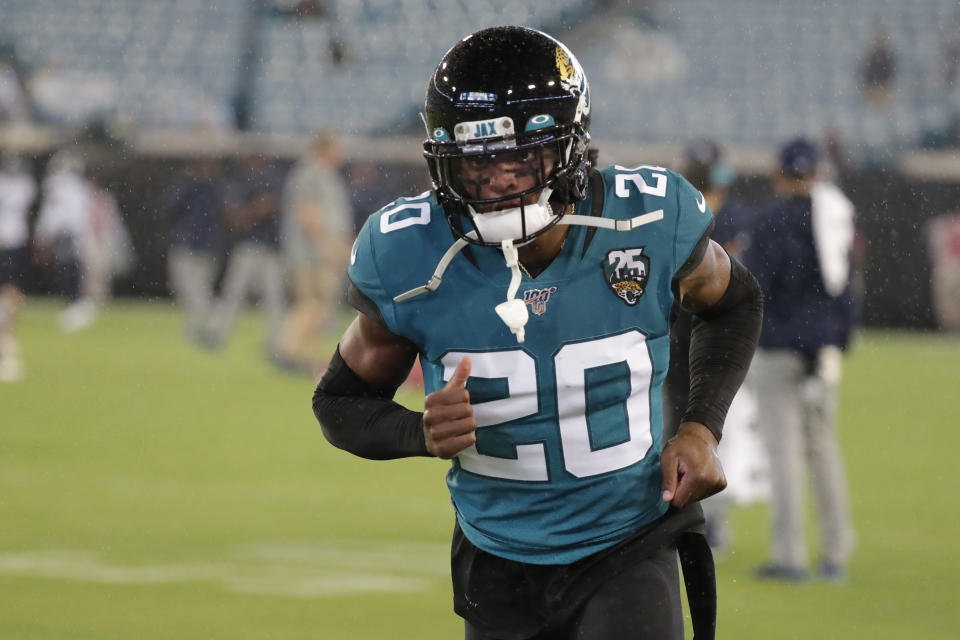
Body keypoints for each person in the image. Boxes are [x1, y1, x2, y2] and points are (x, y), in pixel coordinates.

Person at [312, 27, 763, 640]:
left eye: (521, 156)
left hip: (627, 539)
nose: (498, 179)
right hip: (498, 556)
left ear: (568, 148)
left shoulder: (647, 218)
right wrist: (415, 430)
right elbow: (337, 402)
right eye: (477, 159)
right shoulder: (408, 254)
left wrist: (700, 427)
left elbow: (736, 302)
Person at [742, 138, 857, 583]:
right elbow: (846, 289)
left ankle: (790, 555)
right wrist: (837, 340)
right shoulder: (835, 218)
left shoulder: (768, 220)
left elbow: (753, 290)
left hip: (778, 349)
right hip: (821, 351)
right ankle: (836, 549)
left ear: (778, 173)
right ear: (818, 173)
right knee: (823, 449)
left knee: (785, 454)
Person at [664, 139, 766, 554]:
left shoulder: (678, 214)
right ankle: (698, 522)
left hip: (688, 335)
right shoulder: (724, 215)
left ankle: (697, 521)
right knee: (707, 432)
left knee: (691, 429)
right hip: (706, 338)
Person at [274, 132, 353, 372]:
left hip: (323, 254)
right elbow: (307, 214)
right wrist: (328, 246)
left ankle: (304, 355)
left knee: (320, 308)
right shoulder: (308, 173)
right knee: (310, 303)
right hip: (309, 254)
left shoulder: (328, 176)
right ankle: (283, 351)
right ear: (325, 149)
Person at [204, 153, 286, 354]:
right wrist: (254, 210)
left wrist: (251, 212)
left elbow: (271, 204)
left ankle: (277, 341)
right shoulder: (239, 183)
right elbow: (230, 217)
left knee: (273, 296)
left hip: (269, 247)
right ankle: (218, 333)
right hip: (248, 246)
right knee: (234, 292)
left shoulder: (272, 179)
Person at [163, 158, 226, 344]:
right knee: (187, 288)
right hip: (190, 244)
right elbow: (170, 208)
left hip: (203, 247)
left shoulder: (214, 189)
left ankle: (214, 318)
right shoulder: (190, 186)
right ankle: (200, 323)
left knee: (197, 289)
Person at [0, 152, 37, 381]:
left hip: (13, 243)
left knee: (10, 291)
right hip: (11, 242)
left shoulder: (23, 185)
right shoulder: (22, 185)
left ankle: (7, 337)